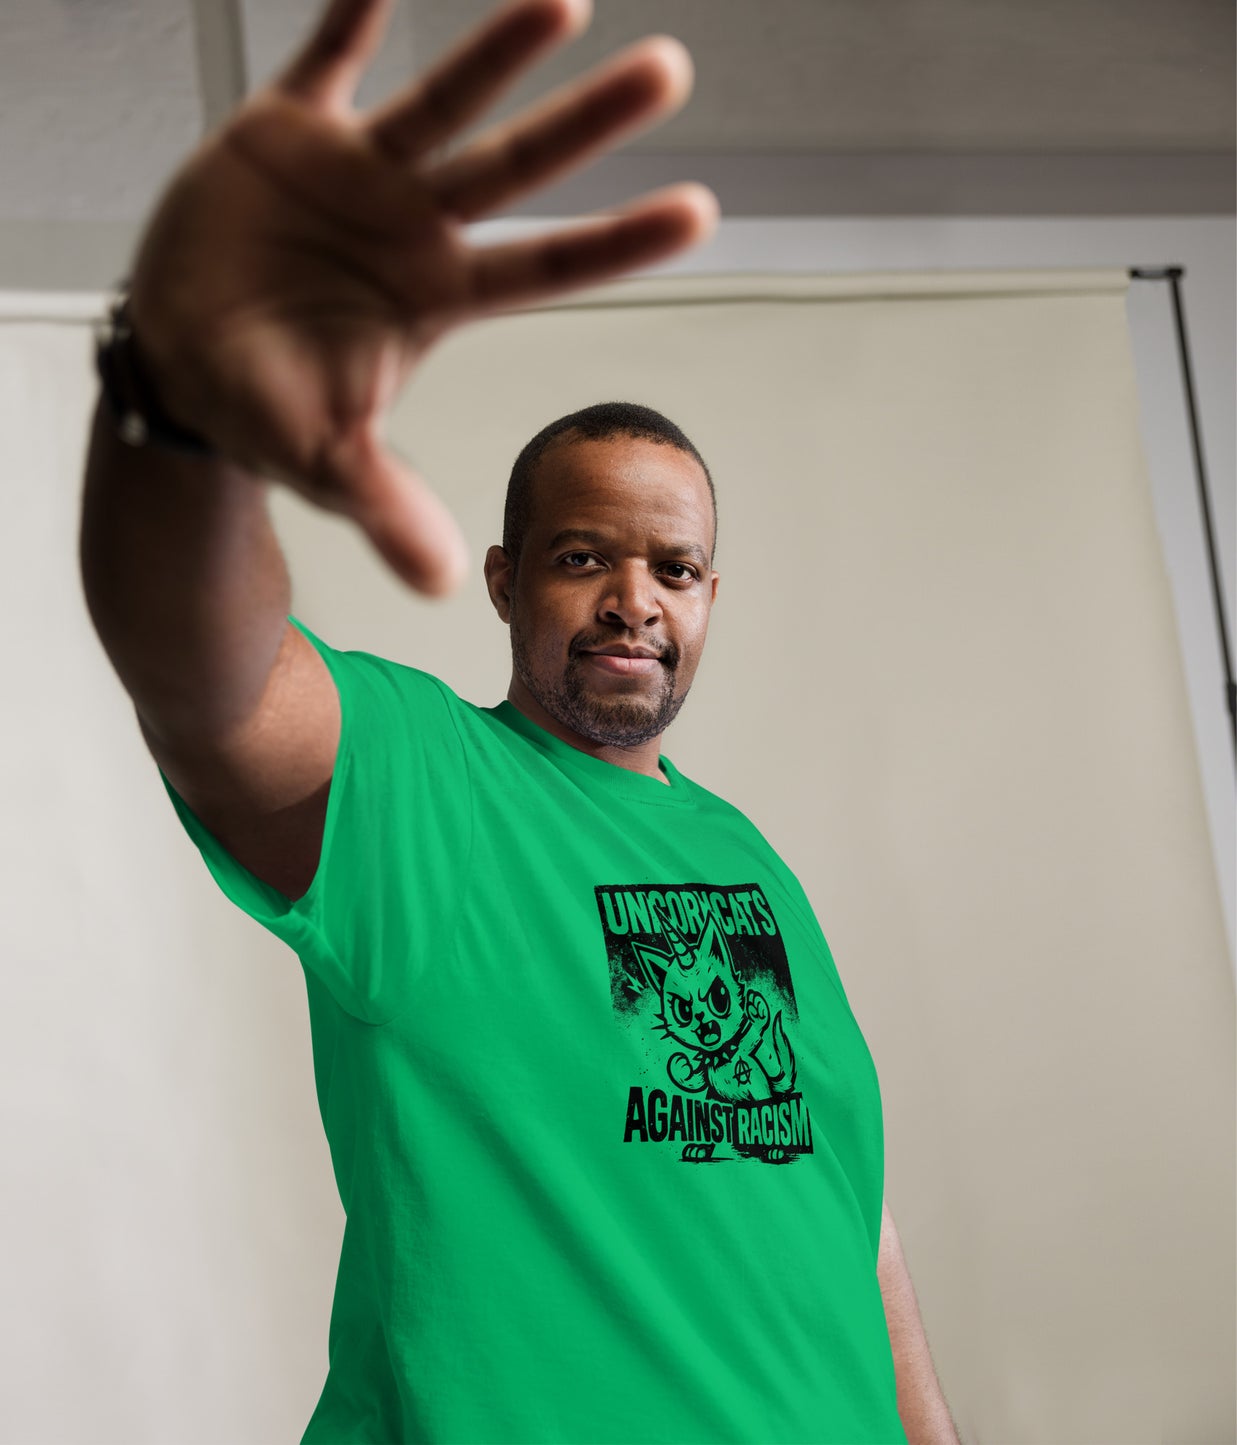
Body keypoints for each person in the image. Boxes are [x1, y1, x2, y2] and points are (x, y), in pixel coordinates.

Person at [78, 0, 960, 1439]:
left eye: (671, 568)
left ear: (710, 595)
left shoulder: (743, 857)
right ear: (504, 579)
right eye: (580, 556)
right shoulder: (425, 780)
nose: (632, 598)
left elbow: (847, 1213)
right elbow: (208, 684)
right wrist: (183, 408)